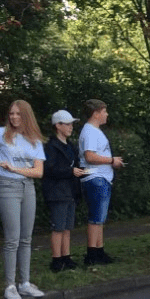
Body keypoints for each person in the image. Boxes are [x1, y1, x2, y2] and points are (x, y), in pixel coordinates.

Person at [0, 100, 47, 299]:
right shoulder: (0, 134)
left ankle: (25, 283)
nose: (14, 117)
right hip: (7, 187)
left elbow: (38, 172)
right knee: (12, 239)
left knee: (26, 238)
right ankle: (10, 285)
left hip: (28, 187)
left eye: (18, 114)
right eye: (11, 113)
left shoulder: (34, 139)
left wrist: (15, 169)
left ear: (26, 116)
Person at [78, 99, 125, 265]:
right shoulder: (90, 131)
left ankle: (99, 251)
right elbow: (89, 156)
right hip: (96, 178)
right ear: (96, 113)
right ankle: (92, 254)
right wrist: (111, 160)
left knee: (100, 218)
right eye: (104, 111)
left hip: (101, 178)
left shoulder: (94, 131)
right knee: (96, 218)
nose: (106, 114)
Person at [42, 110, 87, 272]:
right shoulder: (51, 147)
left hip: (70, 191)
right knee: (58, 227)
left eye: (71, 124)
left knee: (67, 227)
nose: (71, 127)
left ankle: (66, 257)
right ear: (58, 126)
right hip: (57, 192)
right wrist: (70, 172)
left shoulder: (71, 146)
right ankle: (56, 259)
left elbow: (75, 165)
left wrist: (81, 171)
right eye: (67, 124)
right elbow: (49, 169)